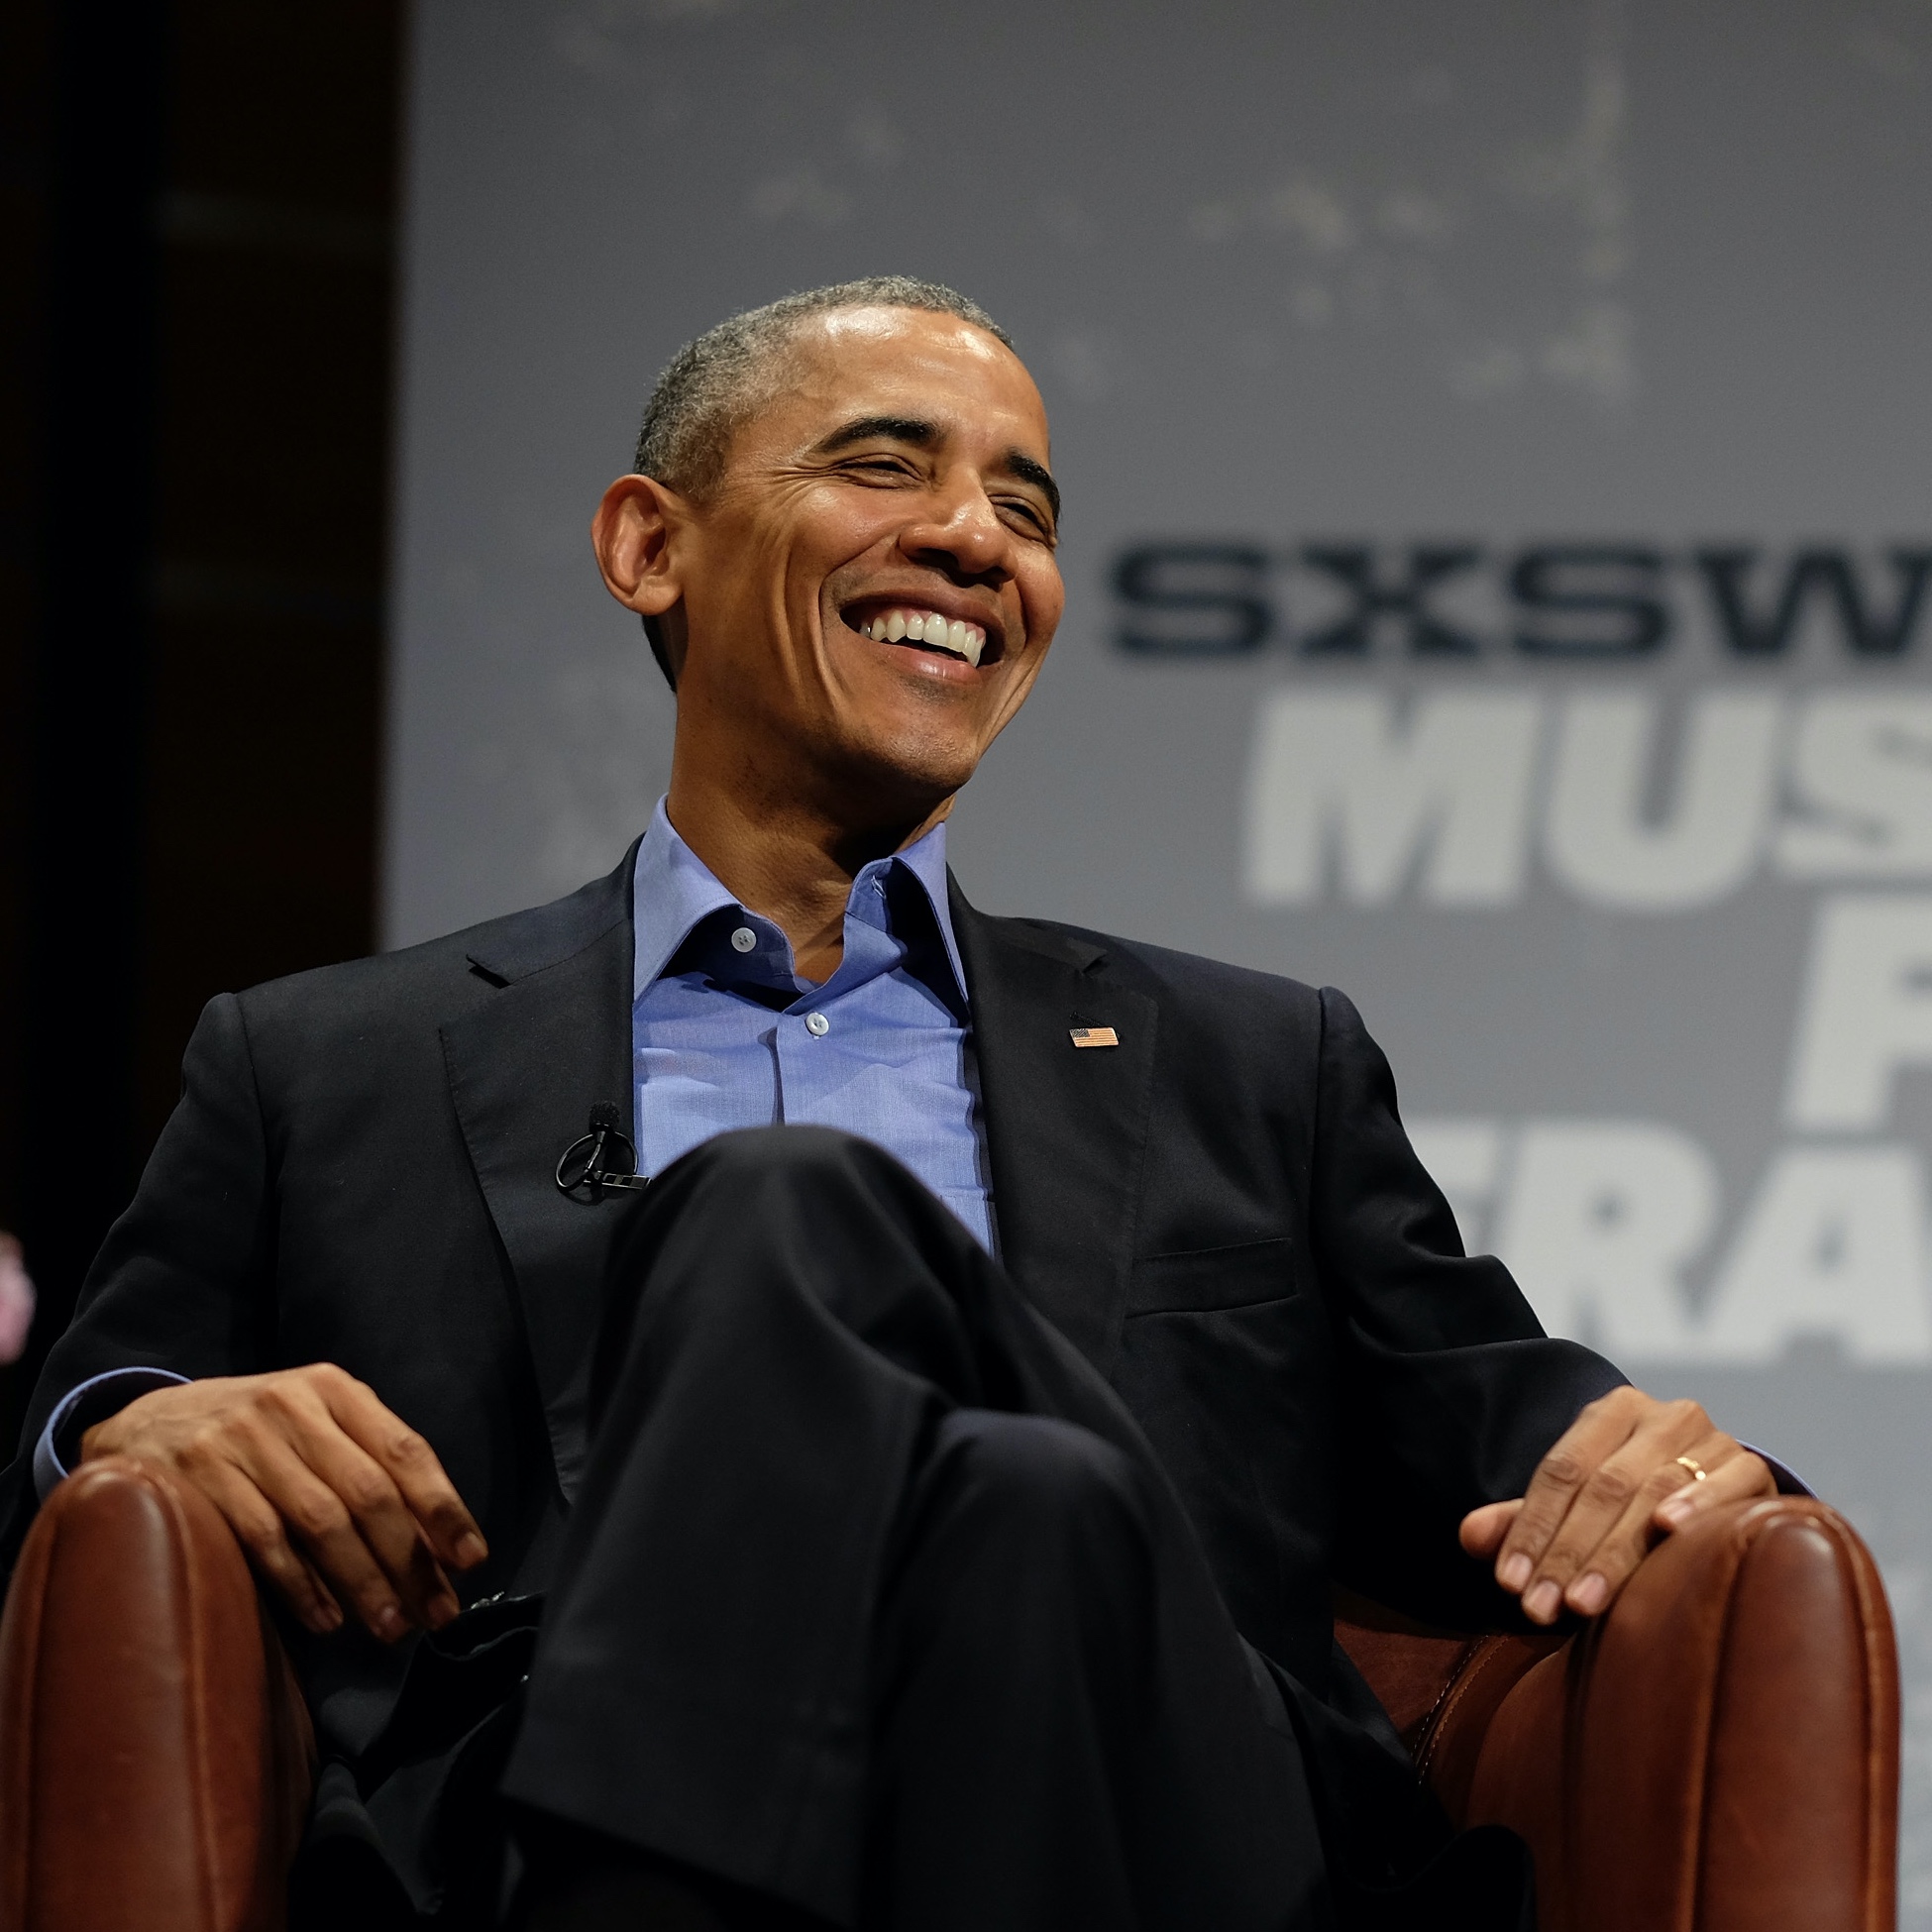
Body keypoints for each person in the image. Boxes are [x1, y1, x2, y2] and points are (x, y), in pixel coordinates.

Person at [0, 277, 1786, 1932]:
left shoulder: (1254, 1063)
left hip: (1159, 1805)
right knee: (1014, 1500)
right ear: (648, 545)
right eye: (886, 465)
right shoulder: (326, 1063)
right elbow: (89, 1406)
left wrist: (1701, 1466)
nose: (975, 538)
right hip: (514, 1809)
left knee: (787, 1212)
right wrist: (123, 1424)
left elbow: (1516, 1427)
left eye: (1027, 509)